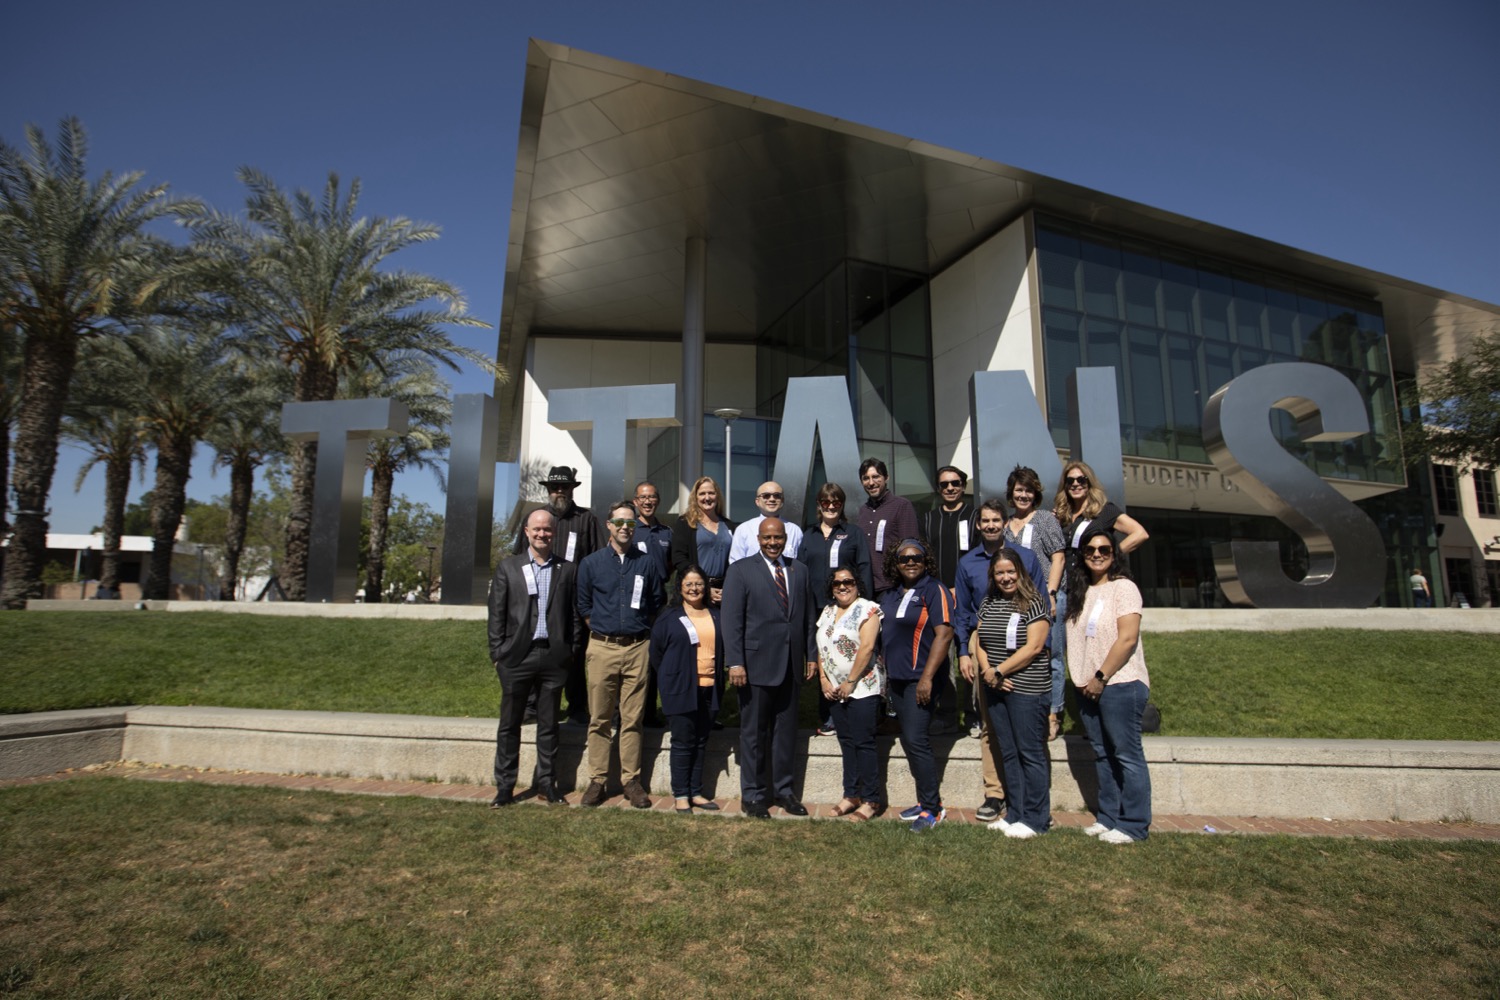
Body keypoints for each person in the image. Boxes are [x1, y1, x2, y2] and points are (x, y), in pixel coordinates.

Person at [953, 499, 1051, 825]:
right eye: (986, 521)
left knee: (1027, 743)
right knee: (991, 730)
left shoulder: (1026, 558)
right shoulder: (967, 564)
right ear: (978, 525)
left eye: (997, 520)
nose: (991, 525)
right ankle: (997, 796)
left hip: (1024, 665)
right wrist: (968, 656)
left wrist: (1020, 662)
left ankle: (1032, 812)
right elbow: (966, 615)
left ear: (1004, 523)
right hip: (986, 658)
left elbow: (1039, 614)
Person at [720, 517, 818, 818]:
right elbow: (731, 620)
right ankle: (753, 794)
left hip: (790, 665)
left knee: (785, 733)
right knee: (754, 733)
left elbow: (807, 617)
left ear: (785, 538)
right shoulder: (740, 570)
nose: (772, 543)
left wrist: (811, 655)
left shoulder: (799, 570)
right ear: (758, 538)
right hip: (754, 665)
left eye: (777, 538)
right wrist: (735, 662)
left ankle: (784, 791)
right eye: (767, 538)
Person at [486, 508, 584, 807]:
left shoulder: (567, 570)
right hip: (516, 658)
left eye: (548, 530)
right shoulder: (508, 568)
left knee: (549, 725)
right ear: (526, 532)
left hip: (554, 658)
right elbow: (496, 615)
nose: (542, 534)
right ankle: (505, 786)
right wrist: (498, 653)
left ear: (555, 533)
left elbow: (575, 617)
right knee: (509, 725)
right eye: (537, 529)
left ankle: (546, 784)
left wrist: (571, 651)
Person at [575, 500, 667, 808]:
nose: (626, 528)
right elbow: (584, 606)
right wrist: (605, 632)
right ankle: (597, 781)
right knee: (599, 718)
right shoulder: (591, 564)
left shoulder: (647, 563)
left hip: (638, 648)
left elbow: (656, 601)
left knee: (632, 719)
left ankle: (631, 781)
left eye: (631, 523)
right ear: (609, 525)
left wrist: (636, 630)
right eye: (620, 523)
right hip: (602, 648)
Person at [1066, 528, 1153, 844]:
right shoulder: (1081, 591)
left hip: (1119, 683)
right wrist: (1085, 680)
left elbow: (1127, 638)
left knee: (1127, 755)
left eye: (1104, 549)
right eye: (1090, 550)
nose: (1097, 554)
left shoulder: (1123, 588)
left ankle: (1134, 825)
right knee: (1102, 753)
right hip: (1086, 687)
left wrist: (1101, 677)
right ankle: (1109, 817)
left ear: (1114, 554)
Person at [1051, 460, 1148, 741]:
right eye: (1070, 481)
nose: (1076, 485)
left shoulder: (1103, 511)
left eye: (1081, 480)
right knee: (1065, 651)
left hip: (1091, 588)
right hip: (1066, 588)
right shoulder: (1064, 515)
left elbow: (1140, 533)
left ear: (1089, 483)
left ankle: (1098, 707)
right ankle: (1066, 714)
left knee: (1094, 644)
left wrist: (1112, 552)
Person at [973, 547, 1052, 839]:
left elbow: (1034, 647)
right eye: (999, 572)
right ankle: (1015, 813)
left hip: (1026, 689)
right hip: (995, 687)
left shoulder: (1034, 602)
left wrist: (1000, 670)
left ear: (1019, 571)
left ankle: (1036, 819)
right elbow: (979, 639)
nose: (1006, 578)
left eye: (1010, 571)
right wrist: (989, 672)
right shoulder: (989, 601)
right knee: (1008, 752)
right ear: (993, 576)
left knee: (1029, 753)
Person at [880, 539, 953, 832]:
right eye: (904, 559)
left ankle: (933, 808)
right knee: (910, 740)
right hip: (896, 680)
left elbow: (944, 634)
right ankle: (924, 801)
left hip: (920, 680)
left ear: (926, 561)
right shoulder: (892, 594)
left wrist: (927, 678)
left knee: (916, 740)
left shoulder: (934, 589)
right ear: (895, 563)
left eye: (917, 558)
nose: (911, 563)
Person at [529, 465, 607, 728]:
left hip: (574, 601)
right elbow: (520, 556)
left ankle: (577, 708)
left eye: (564, 486)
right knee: (536, 653)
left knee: (574, 655)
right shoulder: (535, 519)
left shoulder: (587, 519)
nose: (559, 491)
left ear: (573, 489)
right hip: (539, 600)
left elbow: (598, 560)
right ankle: (532, 706)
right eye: (554, 487)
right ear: (548, 490)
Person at [798, 481, 874, 736]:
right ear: (819, 505)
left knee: (851, 658)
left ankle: (858, 710)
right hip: (817, 609)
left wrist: (866, 607)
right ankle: (830, 716)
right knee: (826, 661)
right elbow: (799, 572)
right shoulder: (808, 535)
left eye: (836, 502)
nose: (831, 507)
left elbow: (864, 567)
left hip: (847, 607)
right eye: (825, 502)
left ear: (842, 505)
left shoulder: (853, 533)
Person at [650, 566, 724, 814]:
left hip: (710, 688)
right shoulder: (668, 617)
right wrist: (672, 679)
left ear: (706, 586)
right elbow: (657, 654)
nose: (694, 589)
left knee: (701, 741)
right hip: (680, 689)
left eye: (699, 584)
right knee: (683, 742)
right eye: (689, 584)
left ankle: (696, 791)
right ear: (680, 587)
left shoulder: (715, 615)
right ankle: (681, 794)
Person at [814, 566, 885, 822]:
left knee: (863, 742)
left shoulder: (868, 609)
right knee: (845, 740)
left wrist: (851, 682)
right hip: (834, 689)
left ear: (857, 584)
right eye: (837, 583)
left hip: (862, 687)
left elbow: (866, 648)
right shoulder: (827, 611)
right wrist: (823, 680)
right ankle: (851, 794)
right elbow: (821, 648)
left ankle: (870, 799)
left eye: (848, 581)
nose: (842, 586)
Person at [1002, 465, 1066, 739]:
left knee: (1052, 655)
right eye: (1019, 490)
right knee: (1022, 654)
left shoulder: (1044, 520)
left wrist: (1051, 593)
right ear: (1011, 493)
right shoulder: (1004, 526)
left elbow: (1058, 557)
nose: (1024, 495)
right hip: (1016, 599)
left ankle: (1053, 713)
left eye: (1029, 490)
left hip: (1045, 597)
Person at [919, 465, 978, 736]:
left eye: (955, 483)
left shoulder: (976, 516)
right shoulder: (929, 519)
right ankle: (947, 715)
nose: (950, 488)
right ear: (938, 489)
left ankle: (975, 713)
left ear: (963, 486)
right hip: (940, 598)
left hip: (970, 598)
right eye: (944, 485)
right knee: (945, 657)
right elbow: (925, 560)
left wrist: (962, 588)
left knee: (973, 655)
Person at [632, 480, 673, 727]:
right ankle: (630, 713)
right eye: (643, 498)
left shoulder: (667, 532)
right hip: (635, 606)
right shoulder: (630, 530)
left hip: (661, 606)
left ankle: (651, 713)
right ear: (636, 501)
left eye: (652, 497)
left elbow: (670, 565)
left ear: (657, 500)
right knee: (635, 663)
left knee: (658, 661)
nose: (648, 502)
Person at [670, 476, 738, 605]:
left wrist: (729, 588)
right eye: (702, 494)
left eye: (711, 493)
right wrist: (704, 586)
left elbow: (735, 561)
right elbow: (679, 558)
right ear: (695, 498)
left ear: (717, 496)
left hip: (723, 592)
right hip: (694, 590)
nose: (707, 498)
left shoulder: (729, 525)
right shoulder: (685, 523)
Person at [855, 458, 918, 596]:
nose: (871, 483)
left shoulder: (901, 506)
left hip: (893, 587)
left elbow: (910, 547)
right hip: (866, 587)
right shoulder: (862, 511)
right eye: (866, 478)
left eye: (876, 477)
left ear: (886, 478)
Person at [728, 481, 804, 562]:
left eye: (777, 496)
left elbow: (799, 564)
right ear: (757, 501)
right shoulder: (743, 530)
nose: (772, 499)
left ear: (782, 500)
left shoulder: (795, 531)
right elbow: (736, 563)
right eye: (766, 496)